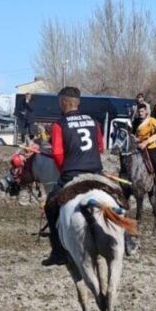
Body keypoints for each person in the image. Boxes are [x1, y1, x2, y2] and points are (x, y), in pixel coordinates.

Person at [43, 86, 104, 267]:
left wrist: (65, 169)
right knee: (119, 198)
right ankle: (128, 239)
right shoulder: (94, 122)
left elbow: (58, 154)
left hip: (72, 173)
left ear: (63, 102)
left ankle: (58, 252)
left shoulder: (58, 125)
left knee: (50, 206)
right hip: (95, 172)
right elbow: (100, 148)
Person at [134, 103, 156, 189]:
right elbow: (134, 135)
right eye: (139, 112)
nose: (140, 113)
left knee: (155, 162)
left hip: (150, 146)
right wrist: (136, 140)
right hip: (138, 145)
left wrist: (146, 142)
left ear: (146, 111)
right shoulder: (136, 121)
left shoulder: (153, 120)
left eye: (142, 111)